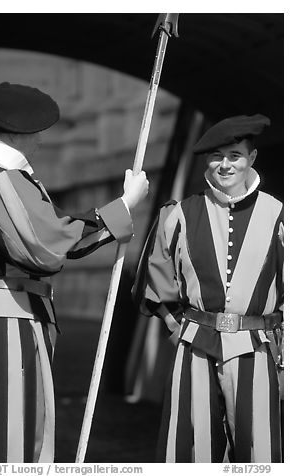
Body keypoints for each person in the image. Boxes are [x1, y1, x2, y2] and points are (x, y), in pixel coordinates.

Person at [0, 82, 149, 463]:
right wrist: (125, 205)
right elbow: (50, 246)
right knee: (12, 438)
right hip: (5, 319)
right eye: (36, 131)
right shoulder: (0, 179)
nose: (41, 141)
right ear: (18, 133)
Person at [133, 114, 283, 463]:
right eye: (217, 156)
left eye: (234, 155)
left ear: (252, 158)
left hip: (257, 350)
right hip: (194, 348)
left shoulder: (281, 215)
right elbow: (154, 281)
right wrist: (177, 329)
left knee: (258, 453)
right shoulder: (179, 215)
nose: (225, 165)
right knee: (189, 450)